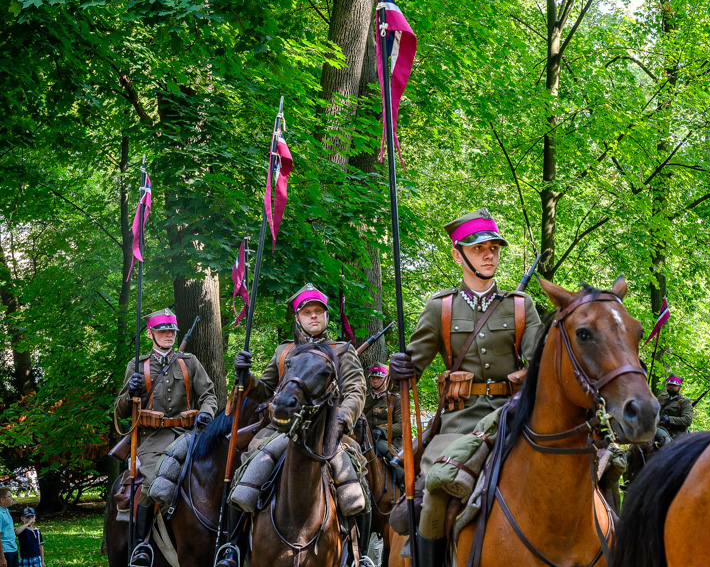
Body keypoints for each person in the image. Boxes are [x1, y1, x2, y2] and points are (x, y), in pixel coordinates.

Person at [388, 208, 544, 564]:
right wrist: (399, 368)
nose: (489, 254)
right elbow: (413, 364)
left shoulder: (521, 306)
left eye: (494, 247)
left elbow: (539, 365)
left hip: (512, 416)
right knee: (436, 485)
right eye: (478, 248)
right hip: (458, 424)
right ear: (458, 254)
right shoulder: (441, 307)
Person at [222, 284, 367, 567]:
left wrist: (341, 420)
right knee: (248, 473)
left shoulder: (342, 351)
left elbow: (356, 391)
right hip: (281, 431)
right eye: (307, 312)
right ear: (298, 318)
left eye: (319, 312)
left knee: (355, 482)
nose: (314, 317)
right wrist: (246, 377)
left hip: (328, 432)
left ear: (326, 316)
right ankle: (233, 548)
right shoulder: (283, 352)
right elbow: (265, 391)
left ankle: (356, 556)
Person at [115, 308, 218, 567]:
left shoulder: (189, 361)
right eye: (163, 330)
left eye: (172, 330)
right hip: (152, 439)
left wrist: (206, 413)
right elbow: (121, 410)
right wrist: (131, 393)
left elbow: (208, 395)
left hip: (188, 434)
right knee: (152, 481)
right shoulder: (137, 366)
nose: (169, 335)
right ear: (151, 333)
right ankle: (141, 546)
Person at [362, 364, 404, 486]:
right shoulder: (365, 399)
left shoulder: (395, 399)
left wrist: (382, 431)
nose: (375, 381)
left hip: (390, 441)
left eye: (379, 378)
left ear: (386, 379)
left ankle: (404, 483)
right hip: (366, 439)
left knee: (389, 453)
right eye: (373, 378)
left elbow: (402, 426)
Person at [657, 374, 693, 439]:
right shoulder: (661, 398)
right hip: (659, 429)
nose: (670, 387)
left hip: (677, 433)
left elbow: (687, 420)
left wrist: (669, 419)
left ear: (680, 387)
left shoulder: (684, 401)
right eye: (669, 385)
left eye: (674, 385)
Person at [0, 488, 18, 567]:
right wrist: (2, 557)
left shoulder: (6, 510)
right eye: (9, 496)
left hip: (13, 548)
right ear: (2, 500)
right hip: (5, 551)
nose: (12, 498)